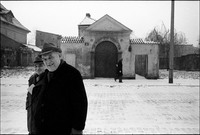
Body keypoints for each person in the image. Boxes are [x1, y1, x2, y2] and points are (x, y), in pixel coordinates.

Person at [34, 43, 88, 134]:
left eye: (51, 57)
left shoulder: (72, 74)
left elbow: (80, 104)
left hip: (64, 129)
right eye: (45, 59)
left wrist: (77, 129)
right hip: (45, 129)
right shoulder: (45, 75)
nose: (48, 62)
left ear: (59, 56)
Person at [26, 55, 46, 134]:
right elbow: (29, 95)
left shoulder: (48, 79)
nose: (38, 68)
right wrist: (28, 106)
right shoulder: (32, 78)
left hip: (43, 119)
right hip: (31, 114)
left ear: (45, 65)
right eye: (36, 66)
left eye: (40, 66)